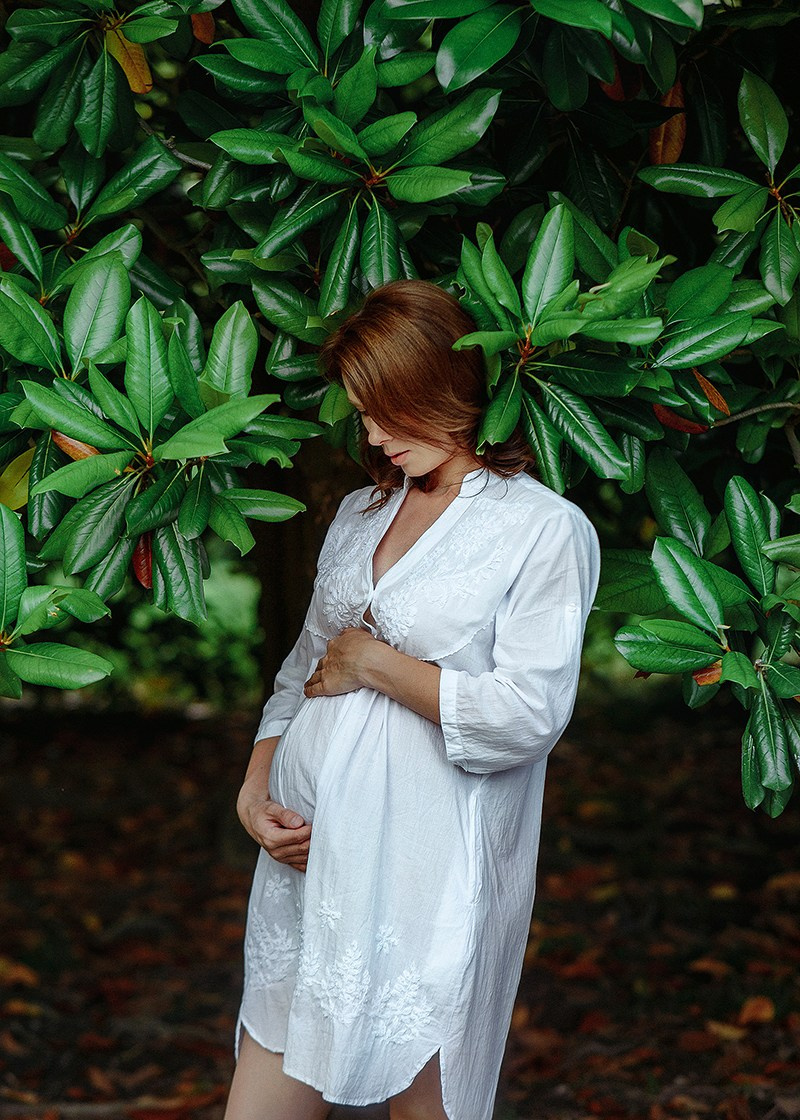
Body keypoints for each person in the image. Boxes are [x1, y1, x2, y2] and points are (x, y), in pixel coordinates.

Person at [225, 280, 600, 1120]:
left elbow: (527, 715)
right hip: (308, 862)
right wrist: (255, 793)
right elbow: (298, 676)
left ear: (449, 386)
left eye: (388, 410)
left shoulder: (541, 530)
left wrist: (375, 665)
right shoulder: (362, 512)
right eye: (361, 414)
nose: (373, 435)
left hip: (430, 873)